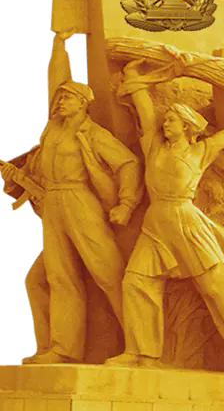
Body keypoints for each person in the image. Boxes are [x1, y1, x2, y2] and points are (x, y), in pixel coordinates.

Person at [105, 59, 224, 376]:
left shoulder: (200, 151)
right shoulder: (154, 146)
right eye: (166, 119)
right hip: (156, 223)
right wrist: (132, 75)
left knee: (216, 286)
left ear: (187, 126)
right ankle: (142, 353)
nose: (165, 124)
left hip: (186, 221)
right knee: (137, 282)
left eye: (172, 120)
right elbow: (144, 109)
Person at [2, 29, 141, 364]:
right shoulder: (51, 129)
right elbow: (56, 79)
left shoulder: (93, 133)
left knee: (109, 272)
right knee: (59, 276)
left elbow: (128, 163)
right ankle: (62, 350)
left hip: (81, 201)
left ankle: (140, 347)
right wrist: (59, 44)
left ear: (83, 103)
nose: (60, 101)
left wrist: (126, 203)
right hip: (53, 203)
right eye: (59, 98)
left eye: (67, 98)